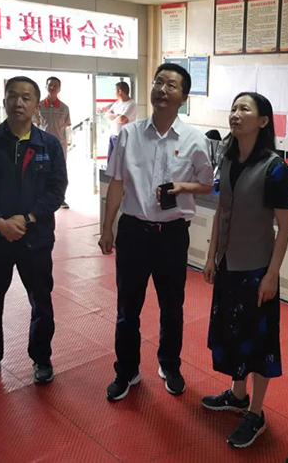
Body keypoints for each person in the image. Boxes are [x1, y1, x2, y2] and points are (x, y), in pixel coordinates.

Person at [98, 63, 213, 402]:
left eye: (171, 85)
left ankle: (170, 365)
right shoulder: (129, 134)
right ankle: (126, 371)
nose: (162, 89)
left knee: (172, 307)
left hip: (172, 235)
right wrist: (107, 228)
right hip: (133, 231)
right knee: (127, 308)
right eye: (158, 82)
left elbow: (206, 184)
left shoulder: (194, 139)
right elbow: (117, 183)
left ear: (184, 97)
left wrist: (183, 186)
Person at [201, 92, 288, 449]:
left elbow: (284, 227)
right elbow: (221, 211)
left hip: (257, 269)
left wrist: (272, 274)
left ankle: (256, 413)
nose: (236, 114)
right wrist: (211, 256)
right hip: (228, 264)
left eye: (245, 109)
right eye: (234, 108)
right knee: (231, 332)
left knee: (258, 342)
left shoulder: (274, 168)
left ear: (263, 121)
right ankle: (237, 396)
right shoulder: (227, 160)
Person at [0, 76, 67, 390]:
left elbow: (56, 189)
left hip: (36, 239)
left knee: (41, 303)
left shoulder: (48, 145)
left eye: (26, 97)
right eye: (13, 96)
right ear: (4, 101)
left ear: (36, 105)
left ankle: (41, 358)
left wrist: (28, 218)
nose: (18, 103)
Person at [38, 76, 71, 208]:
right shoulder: (38, 106)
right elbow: (35, 124)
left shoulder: (64, 108)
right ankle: (41, 197)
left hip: (60, 145)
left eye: (55, 86)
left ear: (59, 89)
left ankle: (60, 198)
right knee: (42, 169)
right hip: (43, 144)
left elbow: (67, 127)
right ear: (46, 87)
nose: (52, 88)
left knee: (60, 172)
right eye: (50, 85)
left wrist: (68, 143)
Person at [106, 81, 137, 162]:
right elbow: (107, 115)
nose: (114, 93)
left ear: (119, 91)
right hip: (113, 136)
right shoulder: (117, 103)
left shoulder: (131, 104)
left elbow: (122, 119)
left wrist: (115, 117)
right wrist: (117, 116)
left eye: (115, 90)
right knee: (110, 163)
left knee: (120, 163)